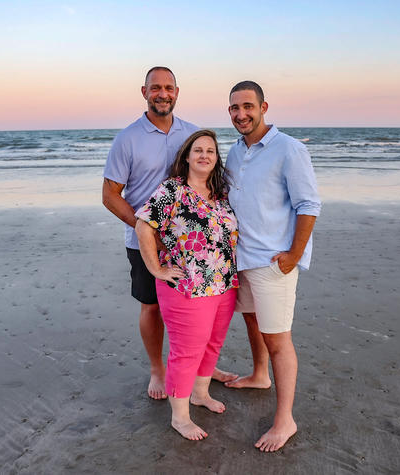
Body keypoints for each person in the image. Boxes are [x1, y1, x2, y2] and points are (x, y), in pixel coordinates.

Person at [102, 67, 237, 400]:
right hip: (145, 242)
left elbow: (213, 178)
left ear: (177, 92)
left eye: (168, 88)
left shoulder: (192, 135)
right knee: (151, 306)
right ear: (144, 91)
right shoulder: (128, 138)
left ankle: (202, 366)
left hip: (194, 248)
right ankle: (157, 370)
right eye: (155, 88)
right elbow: (110, 195)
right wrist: (146, 228)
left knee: (205, 306)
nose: (162, 94)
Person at [224, 80, 321, 452]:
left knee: (278, 339)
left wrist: (294, 255)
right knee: (252, 321)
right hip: (241, 259)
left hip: (272, 262)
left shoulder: (289, 149)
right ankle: (259, 375)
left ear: (264, 107)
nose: (241, 114)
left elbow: (309, 205)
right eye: (234, 108)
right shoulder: (233, 151)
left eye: (248, 106)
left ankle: (285, 420)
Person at [134, 129, 238, 440]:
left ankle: (200, 394)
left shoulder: (220, 195)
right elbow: (143, 226)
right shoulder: (172, 190)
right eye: (198, 150)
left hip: (224, 284)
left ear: (216, 159)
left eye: (211, 150)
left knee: (212, 344)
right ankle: (180, 417)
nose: (205, 155)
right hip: (187, 287)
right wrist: (156, 269)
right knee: (186, 351)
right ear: (187, 157)